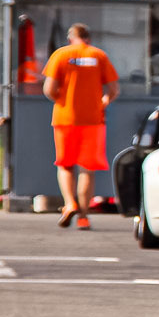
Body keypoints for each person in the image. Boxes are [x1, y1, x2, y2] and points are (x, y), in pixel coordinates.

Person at [43, 23, 119, 230]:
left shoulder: (61, 55)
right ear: (88, 38)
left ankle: (70, 204)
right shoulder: (98, 56)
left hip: (65, 119)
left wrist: (63, 100)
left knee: (65, 165)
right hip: (93, 121)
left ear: (70, 38)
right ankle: (84, 217)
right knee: (87, 170)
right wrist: (102, 102)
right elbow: (113, 89)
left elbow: (49, 89)